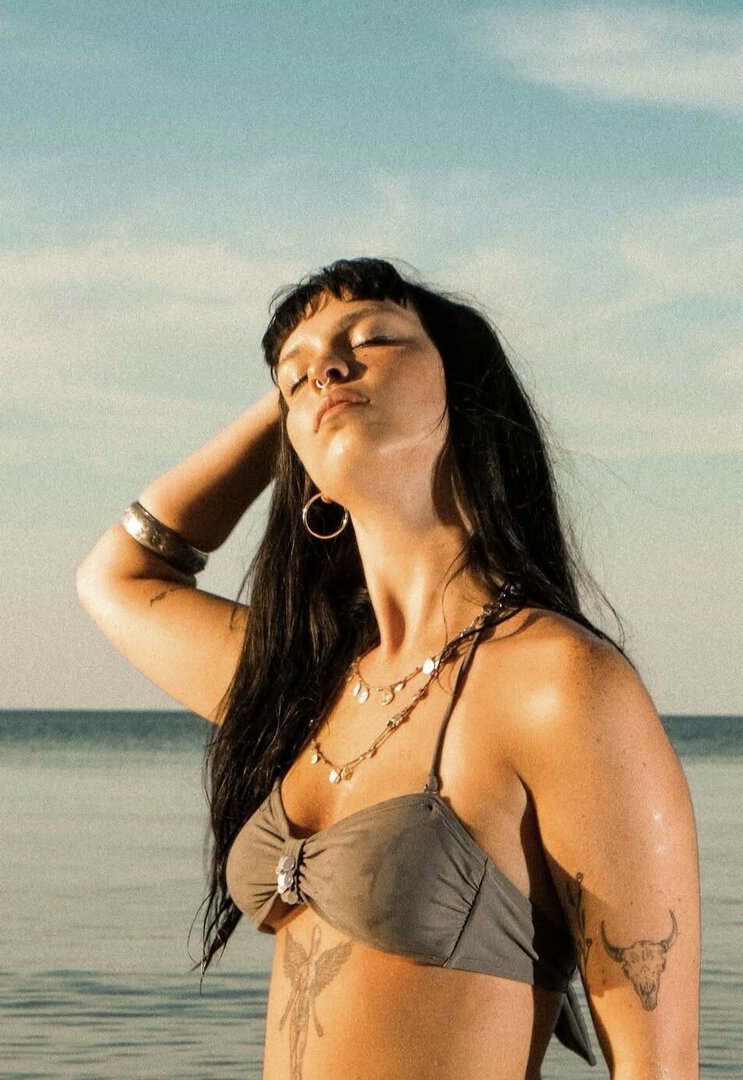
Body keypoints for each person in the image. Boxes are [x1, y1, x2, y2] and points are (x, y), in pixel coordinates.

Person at [76, 258, 700, 1079]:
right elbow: (117, 577)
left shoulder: (556, 682)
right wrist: (296, 406)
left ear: (464, 386)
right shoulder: (303, 686)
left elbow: (658, 1067)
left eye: (372, 339)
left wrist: (313, 391)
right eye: (293, 372)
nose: (326, 368)